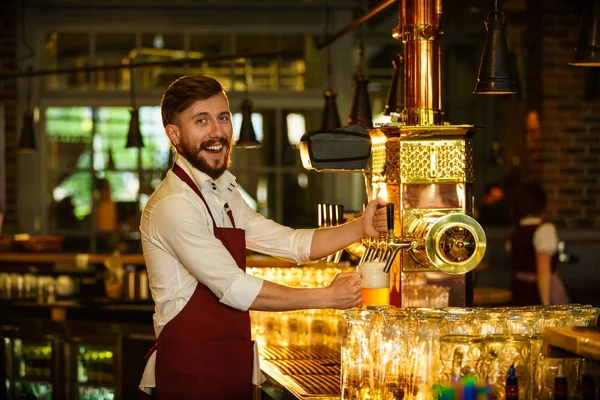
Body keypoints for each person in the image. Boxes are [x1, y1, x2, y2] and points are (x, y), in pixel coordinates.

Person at [138, 75, 388, 400]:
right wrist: (325, 297)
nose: (217, 132)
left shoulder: (222, 193)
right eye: (201, 121)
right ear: (174, 133)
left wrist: (359, 227)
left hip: (231, 364)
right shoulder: (175, 204)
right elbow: (235, 288)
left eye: (223, 117)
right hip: (192, 376)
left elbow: (291, 244)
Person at [508, 182, 570, 306]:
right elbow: (543, 268)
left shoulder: (516, 232)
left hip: (519, 290)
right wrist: (546, 304)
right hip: (537, 291)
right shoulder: (544, 230)